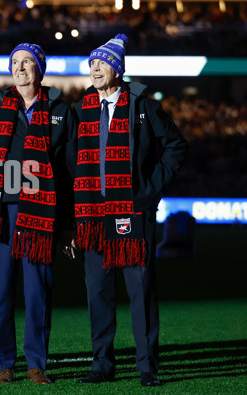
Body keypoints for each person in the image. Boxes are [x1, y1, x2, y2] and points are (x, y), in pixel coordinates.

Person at [73, 34, 187, 387]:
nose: (94, 68)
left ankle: (146, 365)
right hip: (94, 216)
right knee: (98, 291)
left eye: (101, 63)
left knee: (141, 292)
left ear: (117, 69)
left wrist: (149, 192)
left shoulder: (143, 104)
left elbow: (175, 146)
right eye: (92, 63)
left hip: (134, 214)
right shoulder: (82, 108)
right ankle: (102, 363)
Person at [0, 43, 77, 384]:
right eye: (15, 62)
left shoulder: (61, 109)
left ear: (40, 69)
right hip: (0, 212)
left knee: (37, 292)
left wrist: (67, 225)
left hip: (43, 213)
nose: (20, 68)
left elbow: (69, 171)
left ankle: (36, 363)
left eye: (27, 62)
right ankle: (3, 363)